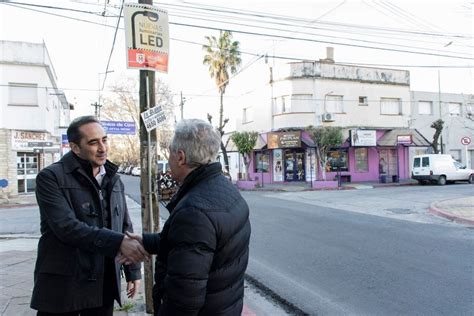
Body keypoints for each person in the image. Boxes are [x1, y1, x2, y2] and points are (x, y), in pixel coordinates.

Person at [126, 119, 251, 315]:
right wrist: (148, 241)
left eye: (169, 155)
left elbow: (184, 298)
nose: (168, 161)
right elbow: (197, 245)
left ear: (181, 157)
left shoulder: (194, 211)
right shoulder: (226, 189)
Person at [31, 116, 149, 316]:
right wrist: (119, 243)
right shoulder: (50, 177)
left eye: (104, 139)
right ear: (75, 147)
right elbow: (66, 227)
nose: (102, 148)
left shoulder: (114, 179)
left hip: (103, 284)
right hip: (64, 286)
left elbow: (124, 226)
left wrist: (133, 270)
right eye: (93, 142)